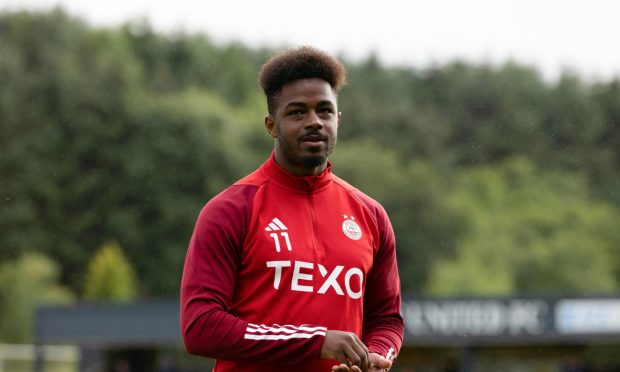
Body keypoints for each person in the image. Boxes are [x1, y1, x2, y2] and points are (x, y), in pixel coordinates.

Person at [180, 46, 403, 372]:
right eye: (297, 112)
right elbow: (200, 327)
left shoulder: (370, 214)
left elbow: (386, 319)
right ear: (271, 125)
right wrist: (315, 342)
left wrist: (375, 356)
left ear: (338, 119)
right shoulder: (231, 209)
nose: (314, 122)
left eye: (325, 111)